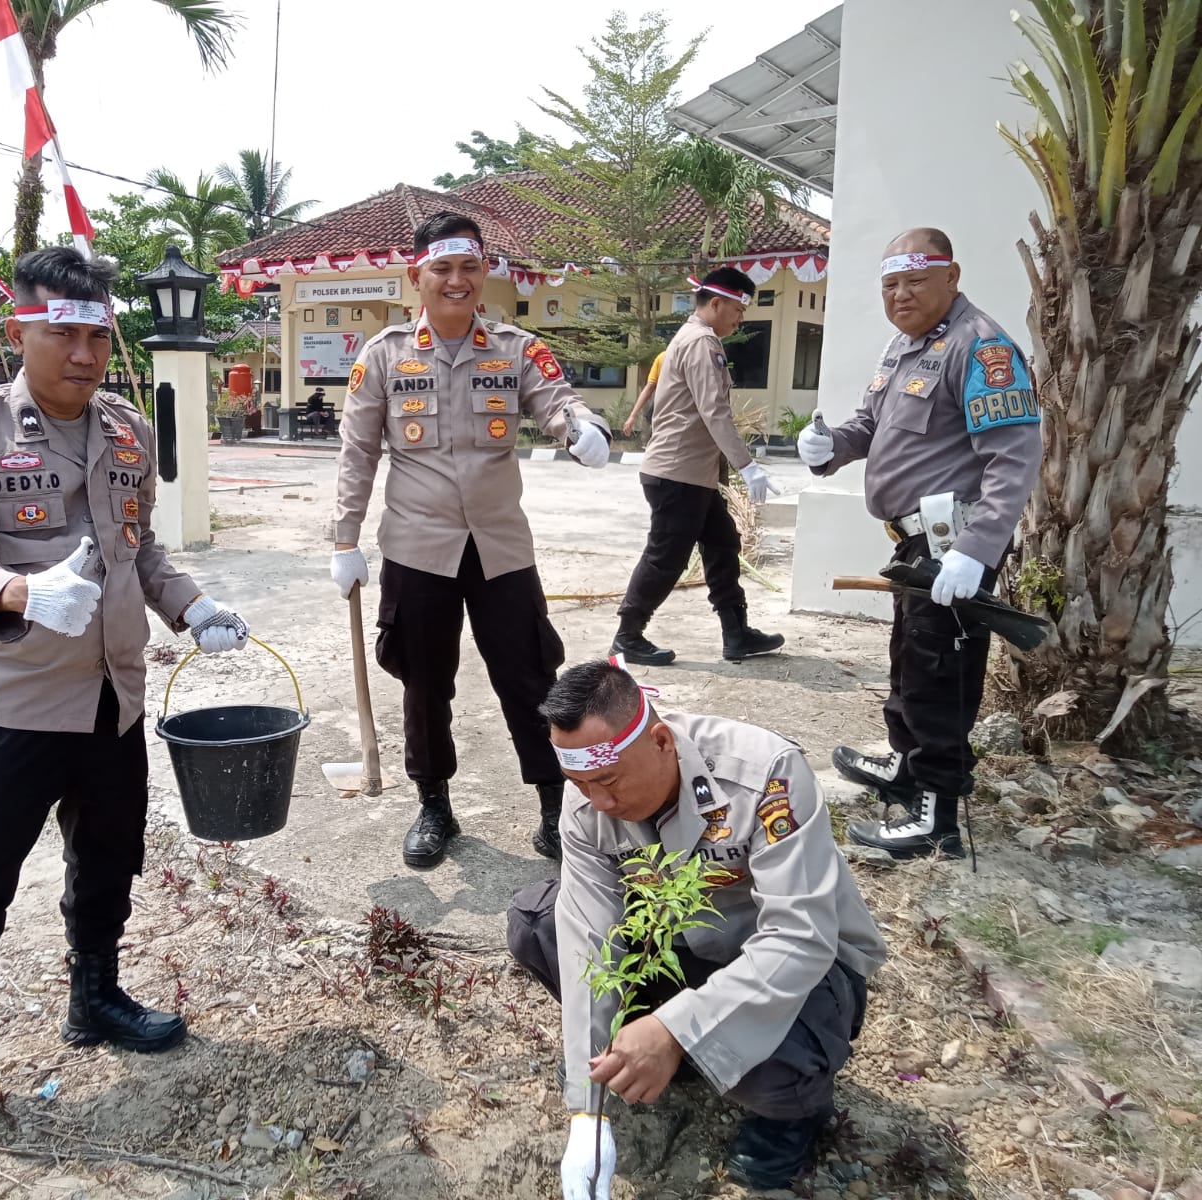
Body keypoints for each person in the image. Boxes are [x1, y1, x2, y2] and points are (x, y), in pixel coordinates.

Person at [0, 248, 252, 1165]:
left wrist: (192, 606)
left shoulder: (127, 430)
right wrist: (22, 595)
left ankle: (94, 996)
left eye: (95, 332)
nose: (82, 350)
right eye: (60, 331)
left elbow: (141, 553)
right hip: (19, 704)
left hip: (114, 697)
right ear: (17, 330)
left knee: (107, 859)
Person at [507, 660, 886, 1196]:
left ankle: (792, 1113)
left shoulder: (765, 776)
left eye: (609, 780)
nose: (600, 803)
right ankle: (670, 1061)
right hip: (680, 948)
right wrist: (585, 1114)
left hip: (793, 968)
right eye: (580, 784)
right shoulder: (588, 799)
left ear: (662, 741)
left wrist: (675, 1029)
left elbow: (799, 939)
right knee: (538, 923)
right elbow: (587, 937)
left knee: (781, 1055)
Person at [330, 211, 613, 868]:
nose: (456, 281)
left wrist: (581, 427)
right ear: (417, 276)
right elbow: (356, 455)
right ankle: (434, 805)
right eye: (442, 268)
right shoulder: (384, 356)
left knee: (530, 677)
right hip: (416, 549)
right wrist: (345, 540)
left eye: (469, 267)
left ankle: (552, 806)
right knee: (425, 682)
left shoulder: (514, 349)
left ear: (483, 273)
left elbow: (557, 399)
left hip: (501, 549)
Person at [797, 228, 1042, 860]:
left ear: (951, 277)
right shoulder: (905, 347)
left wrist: (978, 549)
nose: (900, 295)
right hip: (915, 548)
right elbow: (874, 424)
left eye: (913, 281)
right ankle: (906, 769)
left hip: (953, 548)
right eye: (889, 285)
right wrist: (834, 449)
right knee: (909, 662)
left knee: (941, 677)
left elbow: (1012, 460)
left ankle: (937, 820)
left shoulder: (980, 348)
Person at [611, 267, 784, 668]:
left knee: (723, 544)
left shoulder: (691, 339)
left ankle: (736, 633)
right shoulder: (703, 343)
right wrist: (747, 466)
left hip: (692, 474)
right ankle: (627, 636)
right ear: (717, 303)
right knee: (665, 558)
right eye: (738, 309)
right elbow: (715, 412)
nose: (740, 318)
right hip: (677, 473)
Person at [620, 348, 665, 438]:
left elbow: (649, 387)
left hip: (662, 413)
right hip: (665, 414)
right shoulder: (663, 358)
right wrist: (632, 416)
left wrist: (632, 416)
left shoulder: (663, 357)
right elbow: (650, 387)